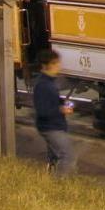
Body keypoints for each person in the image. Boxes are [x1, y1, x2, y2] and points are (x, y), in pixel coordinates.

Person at [33, 48, 76, 176]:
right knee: (68, 156)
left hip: (54, 126)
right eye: (54, 63)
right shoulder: (43, 85)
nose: (58, 66)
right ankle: (59, 183)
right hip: (51, 128)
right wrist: (61, 109)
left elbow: (51, 101)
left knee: (55, 158)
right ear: (45, 66)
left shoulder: (48, 82)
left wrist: (62, 103)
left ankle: (51, 180)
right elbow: (42, 110)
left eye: (58, 62)